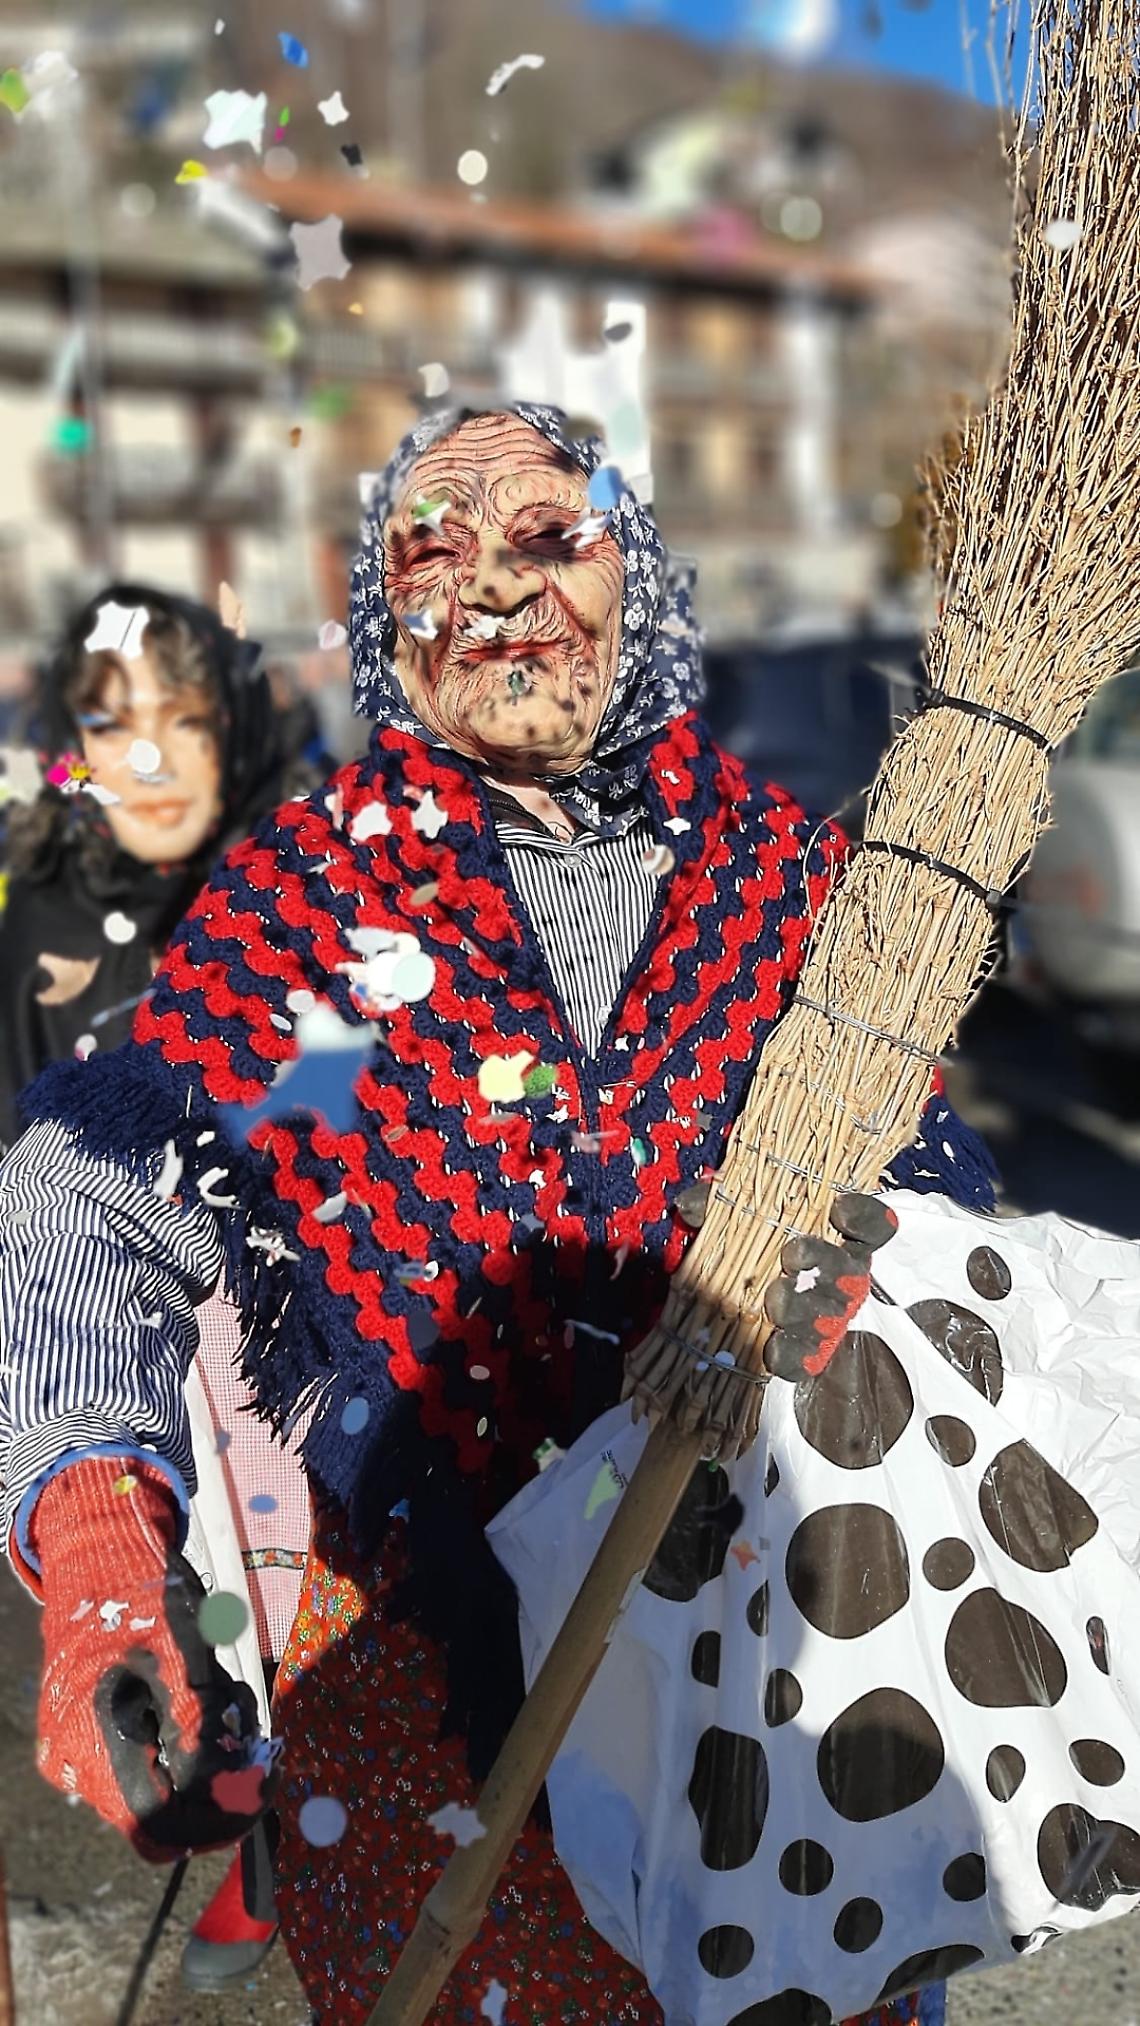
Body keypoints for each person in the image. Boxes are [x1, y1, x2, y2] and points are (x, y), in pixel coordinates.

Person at [0, 410, 999, 2024]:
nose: (490, 582)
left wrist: (876, 1290)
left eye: (550, 533)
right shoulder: (321, 890)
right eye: (431, 543)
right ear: (385, 619)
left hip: (772, 1680)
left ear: (645, 581)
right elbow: (85, 1192)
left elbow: (948, 1223)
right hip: (435, 1723)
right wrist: (103, 1538)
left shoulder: (799, 892)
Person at [0, 584, 317, 1993]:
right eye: (112, 724)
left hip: (295, 1359)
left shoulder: (310, 885)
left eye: (186, 722)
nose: (150, 761)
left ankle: (285, 1857)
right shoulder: (40, 910)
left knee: (315, 1637)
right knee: (185, 1653)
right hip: (107, 1364)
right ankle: (236, 1810)